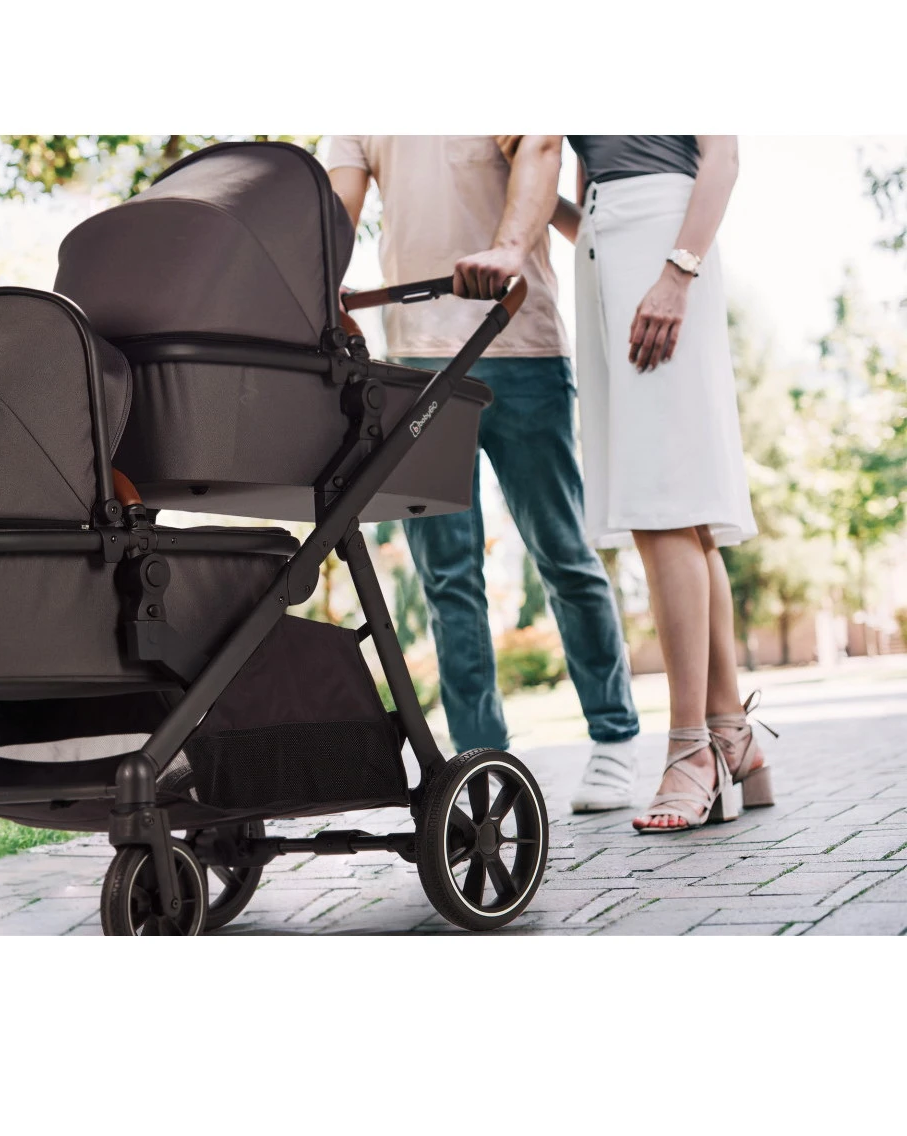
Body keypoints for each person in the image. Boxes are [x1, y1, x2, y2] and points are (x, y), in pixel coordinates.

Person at [324, 136, 640, 812]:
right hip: (414, 363)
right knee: (447, 576)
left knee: (562, 551)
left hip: (521, 346)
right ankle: (480, 763)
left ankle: (615, 737)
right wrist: (318, 279)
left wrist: (508, 249)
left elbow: (541, 147)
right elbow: (336, 211)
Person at [479, 136, 770, 832]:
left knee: (661, 503)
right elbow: (590, 195)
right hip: (605, 251)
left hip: (665, 246)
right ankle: (732, 736)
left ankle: (690, 749)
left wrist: (677, 272)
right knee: (681, 509)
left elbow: (722, 159)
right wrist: (535, 188)